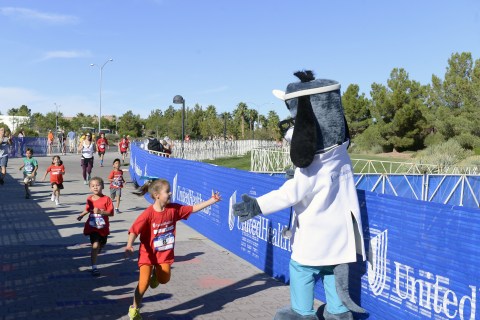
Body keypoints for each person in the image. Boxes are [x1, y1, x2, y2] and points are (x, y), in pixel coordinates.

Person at [124, 179, 221, 320]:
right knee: (143, 284)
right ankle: (134, 308)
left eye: (170, 191)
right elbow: (134, 230)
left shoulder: (173, 209)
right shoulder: (148, 214)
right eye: (167, 191)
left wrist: (211, 201)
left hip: (164, 255)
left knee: (164, 280)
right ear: (157, 195)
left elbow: (192, 209)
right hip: (148, 255)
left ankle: (156, 275)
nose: (170, 193)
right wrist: (129, 245)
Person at [76, 177, 114, 276]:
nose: (95, 187)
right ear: (90, 188)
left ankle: (97, 249)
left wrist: (101, 212)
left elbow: (111, 213)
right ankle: (94, 267)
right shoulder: (89, 199)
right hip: (93, 227)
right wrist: (81, 215)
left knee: (101, 245)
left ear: (102, 186)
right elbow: (88, 209)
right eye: (93, 186)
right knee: (95, 245)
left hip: (103, 228)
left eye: (97, 185)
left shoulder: (107, 199)